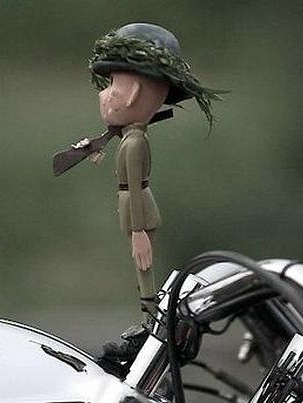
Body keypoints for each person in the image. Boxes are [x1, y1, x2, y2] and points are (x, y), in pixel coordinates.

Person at [89, 22, 223, 370]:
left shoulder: (135, 143)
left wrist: (138, 231)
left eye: (113, 85)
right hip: (134, 206)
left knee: (143, 266)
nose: (104, 94)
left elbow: (134, 187)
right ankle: (149, 319)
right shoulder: (131, 137)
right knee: (142, 268)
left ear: (133, 94)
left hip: (138, 209)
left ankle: (151, 321)